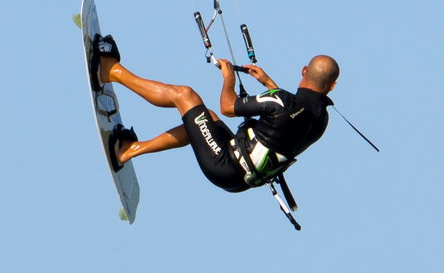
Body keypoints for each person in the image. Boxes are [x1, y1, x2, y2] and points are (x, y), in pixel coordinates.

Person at [93, 35, 339, 194]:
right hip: (239, 180)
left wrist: (229, 77)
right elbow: (289, 120)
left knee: (185, 96)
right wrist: (268, 83)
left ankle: (111, 71)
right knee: (205, 117)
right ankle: (130, 150)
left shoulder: (281, 101)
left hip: (224, 162)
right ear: (332, 86)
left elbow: (228, 106)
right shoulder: (321, 120)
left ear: (304, 70)